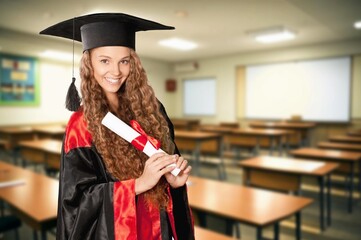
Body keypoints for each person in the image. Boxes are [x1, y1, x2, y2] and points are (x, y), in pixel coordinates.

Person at [40, 13, 194, 240]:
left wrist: (174, 182)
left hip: (159, 230)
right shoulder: (81, 126)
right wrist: (139, 183)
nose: (116, 71)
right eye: (105, 60)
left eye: (124, 61)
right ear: (88, 63)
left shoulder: (152, 111)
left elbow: (169, 169)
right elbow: (77, 203)